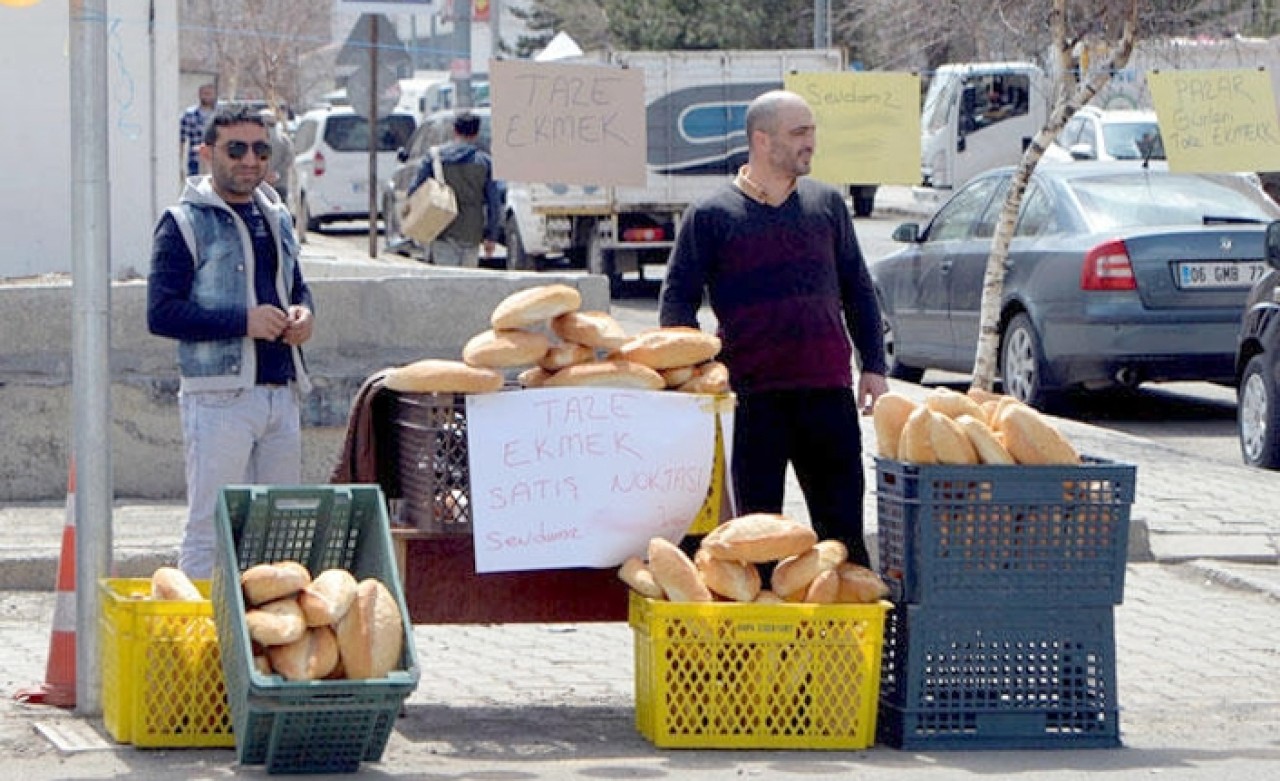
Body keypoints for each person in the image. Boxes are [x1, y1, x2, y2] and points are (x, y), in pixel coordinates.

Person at [658, 89, 889, 567]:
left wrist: (873, 365)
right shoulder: (710, 215)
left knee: (842, 536)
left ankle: (847, 640)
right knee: (752, 543)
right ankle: (763, 639)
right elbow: (678, 299)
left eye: (812, 131)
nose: (811, 143)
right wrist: (691, 375)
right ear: (762, 140)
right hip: (750, 402)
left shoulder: (827, 204)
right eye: (799, 132)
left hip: (827, 396)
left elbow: (858, 288)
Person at [147, 104, 316, 579]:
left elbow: (296, 285)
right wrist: (243, 322)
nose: (250, 160)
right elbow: (161, 313)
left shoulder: (277, 214)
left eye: (260, 150)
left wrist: (305, 315)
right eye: (236, 149)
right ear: (206, 153)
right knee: (210, 530)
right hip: (219, 398)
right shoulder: (182, 223)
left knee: (283, 534)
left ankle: (262, 646)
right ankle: (198, 646)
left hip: (281, 392)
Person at [407, 112, 500, 267]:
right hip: (472, 233)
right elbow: (494, 203)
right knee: (468, 283)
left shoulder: (435, 157)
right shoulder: (485, 162)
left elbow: (414, 191)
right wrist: (491, 236)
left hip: (441, 228)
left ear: (454, 131)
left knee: (445, 282)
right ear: (476, 133)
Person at [180, 83, 217, 177]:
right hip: (195, 161)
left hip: (216, 161)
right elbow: (181, 141)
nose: (207, 96)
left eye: (210, 93)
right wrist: (180, 165)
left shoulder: (219, 115)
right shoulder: (189, 115)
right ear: (199, 95)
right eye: (205, 93)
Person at [260, 107, 295, 203]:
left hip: (278, 184)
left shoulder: (283, 139)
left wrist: (276, 173)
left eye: (271, 124)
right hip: (260, 185)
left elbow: (289, 158)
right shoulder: (254, 141)